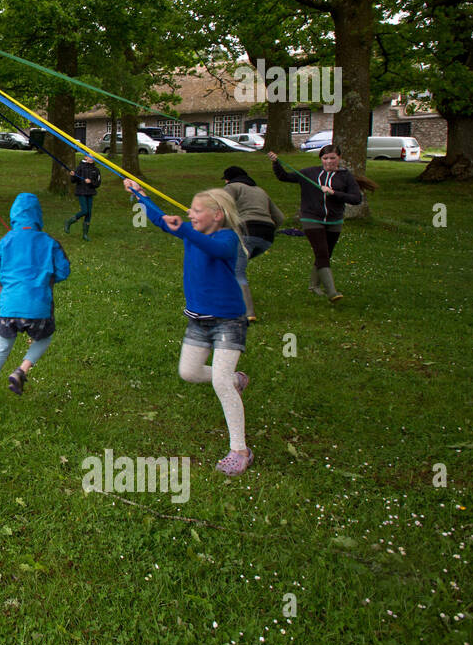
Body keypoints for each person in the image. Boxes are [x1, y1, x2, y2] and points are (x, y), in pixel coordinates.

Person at [123, 178, 253, 476]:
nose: (191, 215)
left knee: (219, 382)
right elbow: (160, 220)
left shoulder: (226, 238)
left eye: (196, 211)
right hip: (198, 319)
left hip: (228, 321)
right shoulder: (191, 233)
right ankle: (235, 379)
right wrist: (139, 195)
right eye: (190, 211)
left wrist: (182, 228)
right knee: (189, 372)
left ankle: (240, 450)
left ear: (217, 215)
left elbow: (211, 247)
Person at [0, 193, 71, 408]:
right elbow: (64, 271)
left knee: (2, 346)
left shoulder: (6, 240)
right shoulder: (50, 242)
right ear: (38, 215)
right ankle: (22, 370)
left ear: (14, 214)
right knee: (45, 337)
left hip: (8, 308)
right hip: (38, 309)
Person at [270, 144, 362, 302]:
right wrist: (276, 163)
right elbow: (284, 177)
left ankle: (313, 286)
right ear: (321, 159)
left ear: (339, 158)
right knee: (321, 252)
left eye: (332, 158)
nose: (329, 161)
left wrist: (334, 193)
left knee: (326, 254)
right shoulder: (310, 173)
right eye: (325, 158)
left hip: (334, 220)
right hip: (311, 218)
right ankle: (332, 292)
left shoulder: (346, 176)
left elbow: (356, 198)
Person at [222, 165, 285, 322]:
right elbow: (280, 218)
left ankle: (247, 312)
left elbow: (221, 208)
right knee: (230, 264)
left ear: (228, 179)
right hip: (267, 236)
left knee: (237, 270)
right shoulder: (260, 191)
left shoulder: (231, 187)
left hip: (246, 231)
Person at [63, 153, 102, 241]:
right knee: (85, 210)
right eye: (90, 156)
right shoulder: (80, 167)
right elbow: (73, 181)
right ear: (85, 157)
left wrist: (91, 182)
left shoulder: (96, 170)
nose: (92, 158)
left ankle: (85, 235)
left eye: (93, 157)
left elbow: (98, 183)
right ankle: (69, 222)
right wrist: (72, 175)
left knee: (89, 213)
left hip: (90, 192)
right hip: (81, 192)